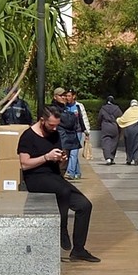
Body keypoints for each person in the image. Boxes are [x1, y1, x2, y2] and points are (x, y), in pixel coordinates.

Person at [17, 105, 98, 262]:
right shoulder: (28, 136)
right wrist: (46, 157)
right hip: (36, 177)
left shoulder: (54, 135)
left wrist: (61, 160)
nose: (54, 128)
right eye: (51, 125)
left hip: (54, 176)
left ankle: (79, 250)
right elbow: (24, 164)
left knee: (84, 205)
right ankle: (61, 229)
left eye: (56, 125)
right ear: (42, 120)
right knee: (63, 191)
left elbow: (59, 163)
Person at [53, 88, 86, 179]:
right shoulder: (55, 108)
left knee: (70, 158)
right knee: (62, 162)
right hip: (61, 139)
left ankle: (72, 173)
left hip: (69, 138)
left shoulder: (66, 107)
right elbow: (68, 122)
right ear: (55, 97)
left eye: (65, 95)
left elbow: (76, 121)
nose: (64, 97)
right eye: (61, 95)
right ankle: (69, 174)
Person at [117, 98, 138, 163]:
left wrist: (117, 119)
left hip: (129, 131)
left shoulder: (128, 111)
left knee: (129, 144)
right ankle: (136, 159)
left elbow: (122, 120)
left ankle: (129, 159)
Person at [96, 97, 122, 165]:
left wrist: (99, 125)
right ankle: (112, 157)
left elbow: (99, 118)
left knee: (105, 142)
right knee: (114, 142)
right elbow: (120, 118)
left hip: (105, 126)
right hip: (114, 126)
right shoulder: (117, 108)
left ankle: (108, 157)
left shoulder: (103, 108)